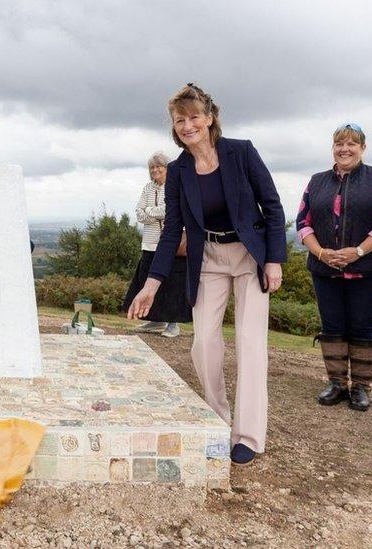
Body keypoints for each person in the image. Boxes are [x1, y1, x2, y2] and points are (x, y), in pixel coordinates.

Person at [127, 84, 287, 465]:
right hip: (209, 258)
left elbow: (273, 205)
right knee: (203, 344)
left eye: (194, 116)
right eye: (179, 119)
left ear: (210, 117)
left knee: (250, 342)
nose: (187, 125)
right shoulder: (179, 170)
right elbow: (171, 231)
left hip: (250, 255)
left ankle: (247, 435)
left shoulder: (242, 152)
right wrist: (152, 284)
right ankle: (218, 417)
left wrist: (274, 259)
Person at [296, 123, 372, 411]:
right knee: (332, 325)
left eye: (352, 144)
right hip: (324, 267)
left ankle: (361, 388)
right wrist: (320, 252)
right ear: (333, 148)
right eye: (339, 144)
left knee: (361, 325)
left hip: (367, 268)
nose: (345, 149)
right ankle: (337, 383)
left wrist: (356, 252)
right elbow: (303, 223)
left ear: (362, 148)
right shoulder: (316, 181)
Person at [123, 151, 191, 338]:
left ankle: (173, 324)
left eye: (158, 166)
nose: (154, 170)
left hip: (171, 244)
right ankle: (155, 319)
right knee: (147, 281)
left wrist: (150, 211)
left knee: (172, 284)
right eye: (152, 167)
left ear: (167, 168)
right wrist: (155, 212)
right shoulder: (148, 188)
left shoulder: (175, 186)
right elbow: (139, 214)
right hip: (150, 243)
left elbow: (171, 211)